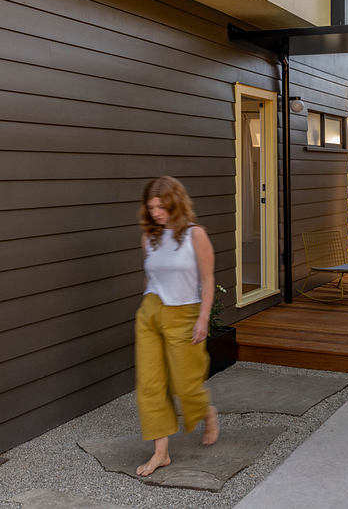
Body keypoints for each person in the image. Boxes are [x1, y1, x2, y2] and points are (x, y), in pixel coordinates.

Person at [134, 176, 219, 477]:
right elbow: (151, 277)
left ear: (176, 203)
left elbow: (207, 279)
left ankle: (206, 413)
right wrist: (147, 306)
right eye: (152, 207)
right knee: (149, 385)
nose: (157, 212)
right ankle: (161, 453)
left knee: (186, 382)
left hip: (184, 312)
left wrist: (203, 318)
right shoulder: (149, 237)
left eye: (162, 206)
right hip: (151, 313)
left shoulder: (195, 235)